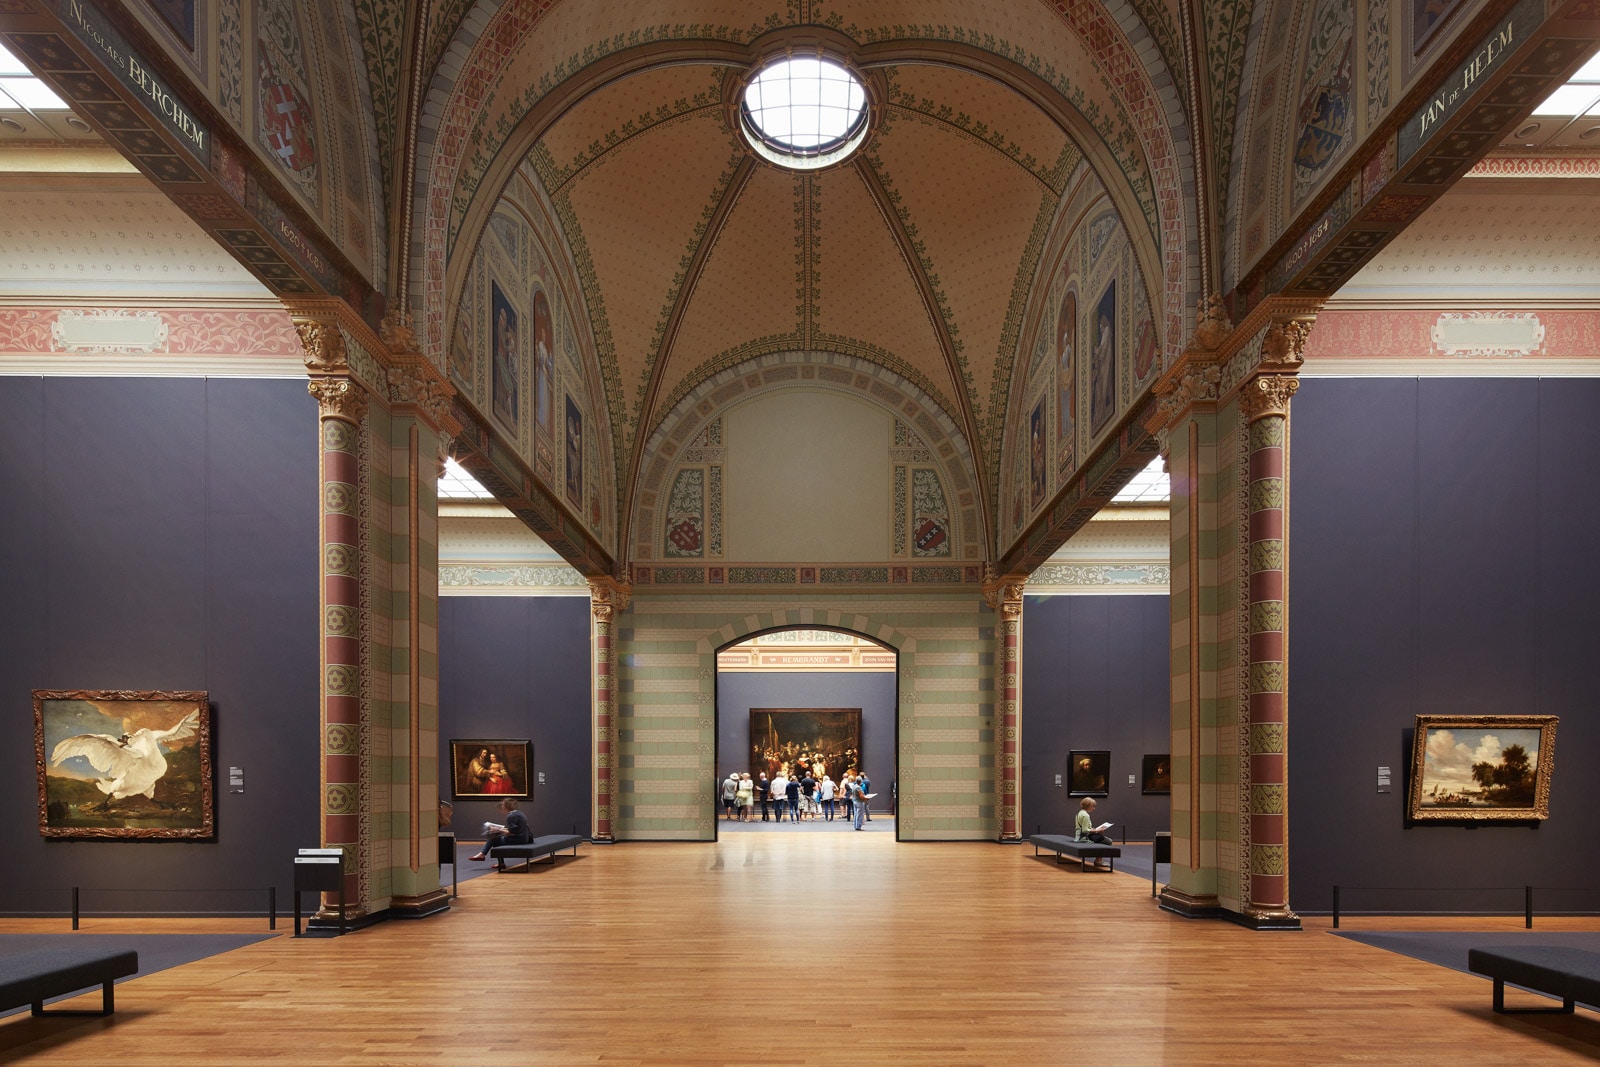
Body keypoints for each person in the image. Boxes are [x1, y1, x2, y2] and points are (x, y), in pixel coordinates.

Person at [469, 798, 530, 865]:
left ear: (506, 806)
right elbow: (515, 830)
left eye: (503, 805)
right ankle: (484, 855)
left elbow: (512, 832)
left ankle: (486, 856)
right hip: (524, 838)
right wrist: (500, 830)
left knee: (494, 839)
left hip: (519, 840)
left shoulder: (511, 816)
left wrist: (498, 830)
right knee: (494, 835)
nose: (502, 806)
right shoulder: (518, 813)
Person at [1075, 797, 1113, 870]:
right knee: (1108, 841)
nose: (1094, 808)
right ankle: (1098, 860)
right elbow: (1085, 830)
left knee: (1101, 838)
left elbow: (1083, 828)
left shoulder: (1080, 813)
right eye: (1093, 806)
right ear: (1088, 806)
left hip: (1079, 836)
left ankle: (1098, 860)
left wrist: (1094, 829)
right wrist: (1097, 831)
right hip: (1084, 838)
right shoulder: (1085, 815)